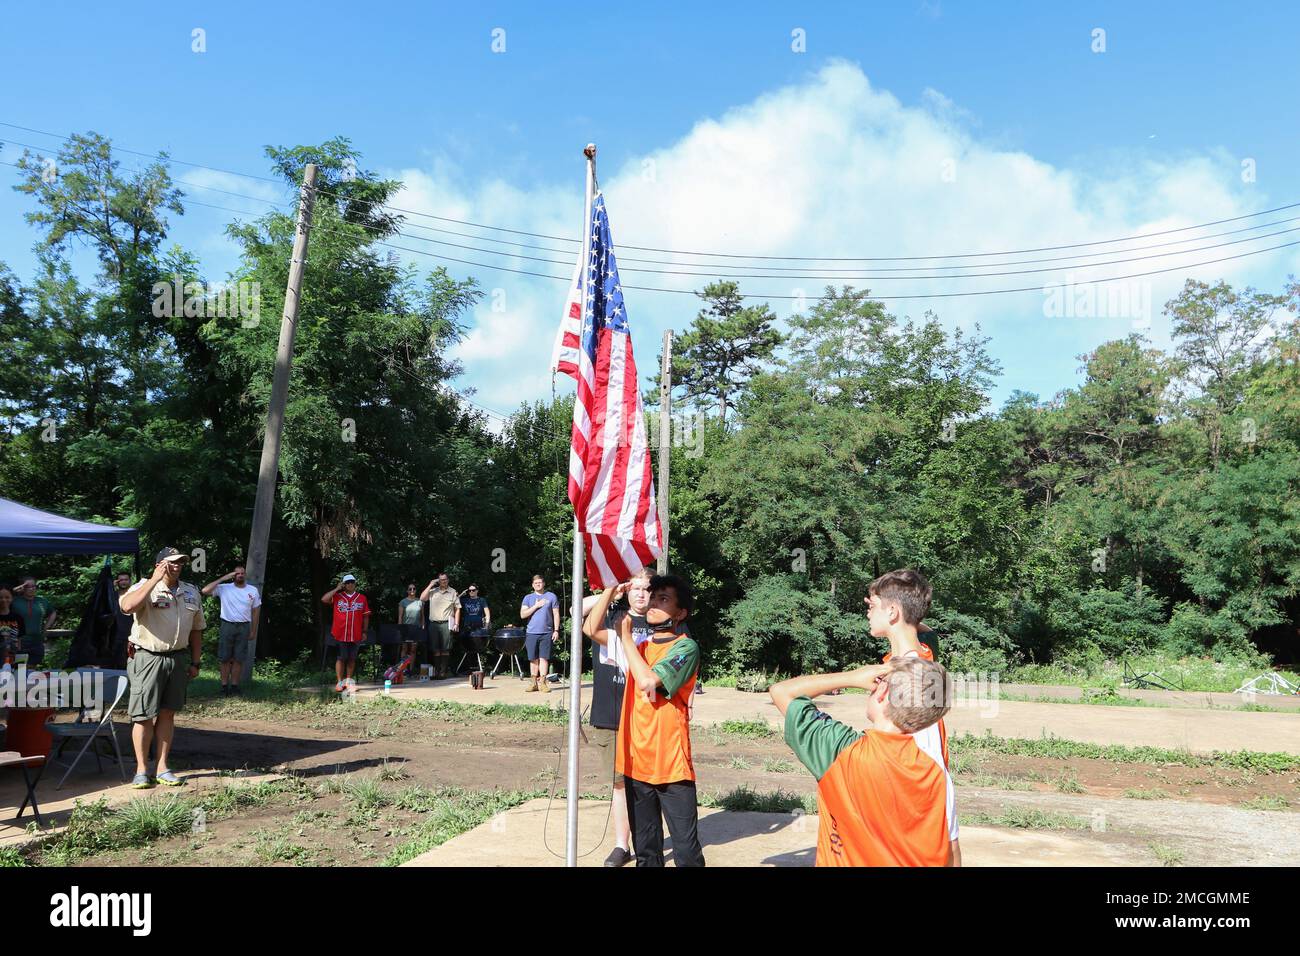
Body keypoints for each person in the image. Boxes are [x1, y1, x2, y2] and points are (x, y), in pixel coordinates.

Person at [769, 656, 960, 867]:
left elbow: (782, 691)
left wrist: (850, 677)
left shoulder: (842, 750)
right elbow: (945, 850)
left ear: (883, 693)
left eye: (880, 682)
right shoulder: (933, 773)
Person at [615, 573, 704, 867]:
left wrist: (625, 637)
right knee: (646, 851)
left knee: (687, 853)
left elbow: (649, 682)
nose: (652, 603)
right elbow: (590, 628)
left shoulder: (685, 647)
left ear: (680, 614)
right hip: (637, 761)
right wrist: (608, 591)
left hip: (671, 765)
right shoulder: (640, 648)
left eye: (663, 599)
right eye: (653, 597)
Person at [117, 547, 206, 788]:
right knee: (144, 715)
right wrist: (154, 579)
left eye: (181, 563)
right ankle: (141, 770)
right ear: (159, 564)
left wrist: (195, 661)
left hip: (177, 658)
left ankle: (163, 767)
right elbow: (127, 607)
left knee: (168, 713)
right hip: (147, 657)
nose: (177, 566)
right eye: (171, 563)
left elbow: (197, 628)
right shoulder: (144, 586)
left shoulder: (190, 592)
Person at [582, 568, 653, 867]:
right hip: (609, 714)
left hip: (646, 717)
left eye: (646, 588)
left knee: (648, 783)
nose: (640, 593)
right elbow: (578, 610)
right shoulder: (611, 615)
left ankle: (648, 843)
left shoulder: (660, 623)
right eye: (634, 588)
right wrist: (613, 590)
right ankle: (622, 844)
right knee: (620, 783)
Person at [202, 564, 262, 696]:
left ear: (245, 575)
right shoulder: (224, 588)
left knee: (239, 658)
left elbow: (256, 612)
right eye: (237, 573)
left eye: (242, 573)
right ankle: (224, 686)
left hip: (244, 626)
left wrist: (253, 630)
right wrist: (223, 578)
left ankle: (234, 686)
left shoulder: (253, 590)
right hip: (227, 625)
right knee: (224, 657)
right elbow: (205, 591)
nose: (240, 575)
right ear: (233, 575)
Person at [322, 574, 370, 691]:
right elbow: (324, 599)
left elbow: (366, 617)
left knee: (352, 658)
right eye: (347, 582)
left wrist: (364, 631)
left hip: (356, 633)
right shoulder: (338, 596)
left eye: (352, 582)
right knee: (341, 657)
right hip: (340, 633)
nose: (350, 584)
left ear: (355, 583)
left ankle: (348, 682)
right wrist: (337, 589)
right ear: (344, 584)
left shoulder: (361, 598)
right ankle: (339, 682)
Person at [519, 574, 559, 693]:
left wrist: (556, 630)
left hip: (546, 632)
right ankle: (533, 683)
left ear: (544, 583)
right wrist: (536, 606)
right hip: (531, 632)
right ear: (532, 585)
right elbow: (523, 615)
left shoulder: (551, 596)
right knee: (533, 658)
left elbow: (556, 614)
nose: (538, 585)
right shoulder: (528, 598)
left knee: (544, 658)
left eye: (540, 583)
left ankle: (543, 683)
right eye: (536, 583)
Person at [421, 573, 460, 679]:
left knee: (445, 648)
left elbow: (457, 609)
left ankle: (443, 672)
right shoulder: (433, 591)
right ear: (438, 581)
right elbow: (422, 598)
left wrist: (456, 623)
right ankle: (437, 672)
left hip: (446, 623)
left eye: (445, 579)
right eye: (441, 580)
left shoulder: (452, 592)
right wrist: (430, 585)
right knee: (435, 649)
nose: (444, 581)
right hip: (433, 623)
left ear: (448, 580)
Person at [14, 575, 56, 668]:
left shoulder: (42, 601)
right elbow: (3, 596)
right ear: (22, 588)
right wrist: (15, 590)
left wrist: (46, 627)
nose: (32, 589)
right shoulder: (14, 601)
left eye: (34, 586)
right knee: (20, 670)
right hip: (20, 642)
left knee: (31, 670)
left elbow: (53, 613)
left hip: (37, 641)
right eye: (28, 586)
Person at [398, 583, 425, 671]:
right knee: (404, 648)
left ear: (416, 590)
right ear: (407, 591)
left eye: (414, 588)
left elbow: (422, 616)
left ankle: (411, 670)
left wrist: (422, 626)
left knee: (413, 650)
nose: (412, 590)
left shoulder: (419, 602)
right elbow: (400, 616)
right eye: (410, 589)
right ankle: (402, 669)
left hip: (416, 628)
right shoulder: (403, 602)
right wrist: (400, 628)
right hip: (405, 628)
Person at [0, 585, 26, 665]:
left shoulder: (18, 618)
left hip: (14, 655)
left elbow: (20, 639)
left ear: (12, 599)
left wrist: (20, 657)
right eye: (0, 597)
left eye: (7, 597)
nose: (4, 600)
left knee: (19, 675)